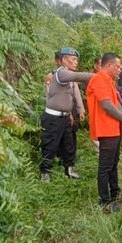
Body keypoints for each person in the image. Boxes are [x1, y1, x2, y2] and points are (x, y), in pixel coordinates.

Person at [86, 52, 122, 213]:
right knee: (105, 166)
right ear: (108, 65)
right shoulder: (98, 79)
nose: (120, 69)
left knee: (113, 163)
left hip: (114, 129)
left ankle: (114, 192)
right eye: (118, 66)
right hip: (106, 129)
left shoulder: (110, 81)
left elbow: (116, 103)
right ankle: (105, 201)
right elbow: (106, 105)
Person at [40, 47, 92, 183]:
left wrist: (72, 112)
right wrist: (97, 75)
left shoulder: (68, 75)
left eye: (76, 60)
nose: (76, 62)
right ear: (63, 60)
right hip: (53, 118)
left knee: (68, 145)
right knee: (50, 145)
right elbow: (78, 76)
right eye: (73, 59)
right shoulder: (61, 73)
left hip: (65, 117)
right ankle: (45, 172)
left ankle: (69, 169)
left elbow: (71, 96)